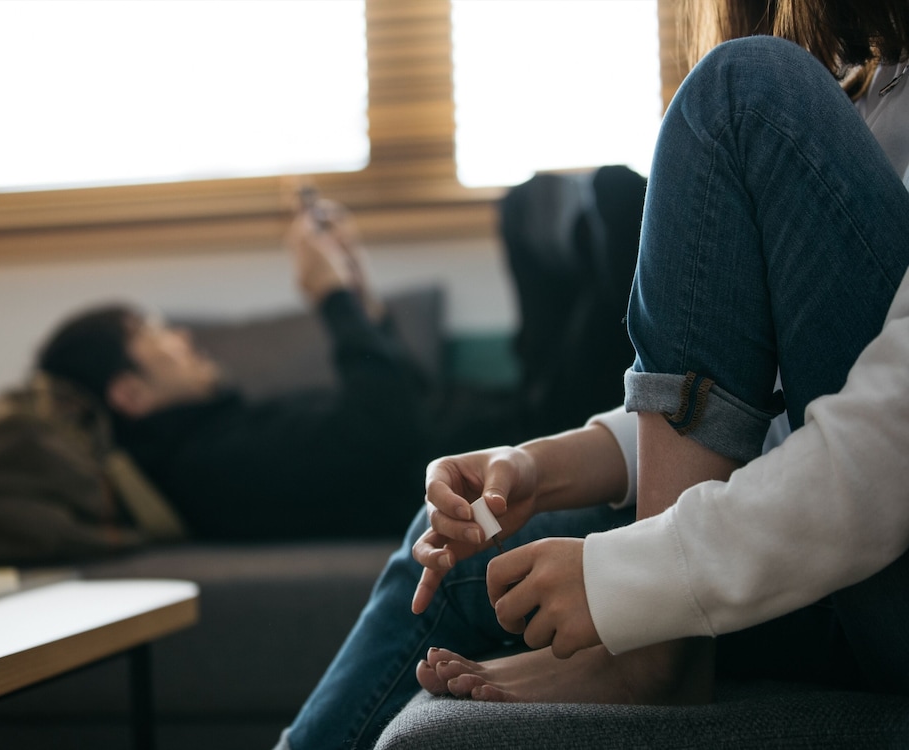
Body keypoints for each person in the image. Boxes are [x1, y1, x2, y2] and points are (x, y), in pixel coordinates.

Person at [273, 1, 909, 747]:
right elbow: (763, 412)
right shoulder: (866, 94)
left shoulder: (786, 107)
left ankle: (656, 661)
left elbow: (886, 443)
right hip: (837, 559)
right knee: (454, 549)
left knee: (739, 93)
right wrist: (547, 466)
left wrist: (633, 587)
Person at [36, 200, 526, 542]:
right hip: (520, 456)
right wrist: (332, 300)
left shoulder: (222, 429)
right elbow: (391, 430)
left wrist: (357, 292)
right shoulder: (212, 465)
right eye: (155, 333)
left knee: (537, 205)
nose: (182, 339)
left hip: (512, 426)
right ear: (131, 395)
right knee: (565, 206)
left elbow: (409, 401)